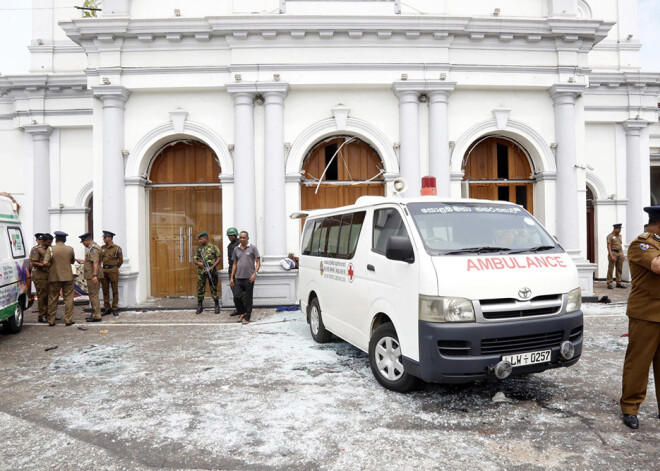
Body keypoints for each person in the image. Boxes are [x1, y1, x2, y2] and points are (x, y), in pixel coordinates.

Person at [619, 206, 660, 429]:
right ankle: (630, 407)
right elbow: (657, 266)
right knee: (639, 364)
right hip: (646, 314)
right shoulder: (641, 243)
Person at [43, 231, 76, 326]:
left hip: (54, 276)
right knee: (69, 298)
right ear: (65, 239)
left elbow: (45, 263)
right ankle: (68, 320)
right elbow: (72, 261)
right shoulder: (70, 249)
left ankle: (51, 320)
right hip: (68, 277)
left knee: (53, 298)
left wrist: (51, 265)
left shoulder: (51, 249)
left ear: (56, 239)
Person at [230, 231, 260, 325]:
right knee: (236, 296)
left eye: (244, 237)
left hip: (249, 278)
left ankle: (247, 317)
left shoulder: (253, 248)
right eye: (241, 238)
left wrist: (255, 273)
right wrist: (232, 278)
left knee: (248, 298)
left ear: (248, 238)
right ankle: (242, 312)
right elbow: (234, 264)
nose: (242, 239)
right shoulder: (236, 249)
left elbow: (258, 262)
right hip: (238, 277)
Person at [76, 233, 105, 323]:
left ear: (86, 241)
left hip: (92, 275)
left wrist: (94, 275)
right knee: (93, 295)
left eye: (83, 242)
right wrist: (84, 262)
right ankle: (94, 314)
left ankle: (96, 315)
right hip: (91, 274)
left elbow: (95, 262)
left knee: (93, 296)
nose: (83, 244)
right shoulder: (93, 248)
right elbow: (92, 261)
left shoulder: (93, 249)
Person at [193, 231, 221, 314]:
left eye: (201, 239)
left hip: (211, 271)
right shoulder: (199, 249)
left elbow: (218, 257)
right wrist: (199, 264)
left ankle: (216, 305)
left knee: (213, 287)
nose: (200, 241)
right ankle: (200, 306)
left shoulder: (213, 247)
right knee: (200, 288)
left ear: (205, 238)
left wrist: (213, 267)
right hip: (201, 271)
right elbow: (194, 259)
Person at [100, 230, 123, 316]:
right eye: (103, 237)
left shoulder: (117, 248)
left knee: (114, 290)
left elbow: (120, 260)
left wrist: (116, 268)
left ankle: (115, 307)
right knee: (105, 290)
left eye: (105, 237)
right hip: (104, 270)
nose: (103, 239)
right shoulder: (102, 248)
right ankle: (107, 307)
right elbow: (99, 259)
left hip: (113, 270)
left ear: (110, 238)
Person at [29, 233, 48, 323]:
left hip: (48, 275)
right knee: (42, 296)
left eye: (42, 240)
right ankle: (42, 315)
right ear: (37, 240)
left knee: (48, 295)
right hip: (39, 275)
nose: (40, 241)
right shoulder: (35, 249)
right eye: (39, 240)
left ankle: (48, 314)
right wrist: (44, 265)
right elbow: (33, 262)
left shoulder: (48, 249)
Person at [607, 223, 626, 289]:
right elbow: (608, 246)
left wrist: (623, 255)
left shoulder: (620, 236)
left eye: (620, 228)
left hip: (620, 253)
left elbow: (620, 245)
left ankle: (618, 283)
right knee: (611, 269)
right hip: (613, 252)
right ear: (615, 229)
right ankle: (609, 283)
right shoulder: (610, 236)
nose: (620, 230)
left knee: (619, 268)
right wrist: (611, 255)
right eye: (619, 229)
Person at [226, 227, 240, 316]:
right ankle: (238, 308)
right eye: (228, 236)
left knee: (241, 292)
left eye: (231, 236)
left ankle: (243, 310)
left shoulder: (240, 245)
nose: (230, 237)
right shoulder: (230, 245)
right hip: (232, 270)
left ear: (235, 235)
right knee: (234, 291)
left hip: (239, 270)